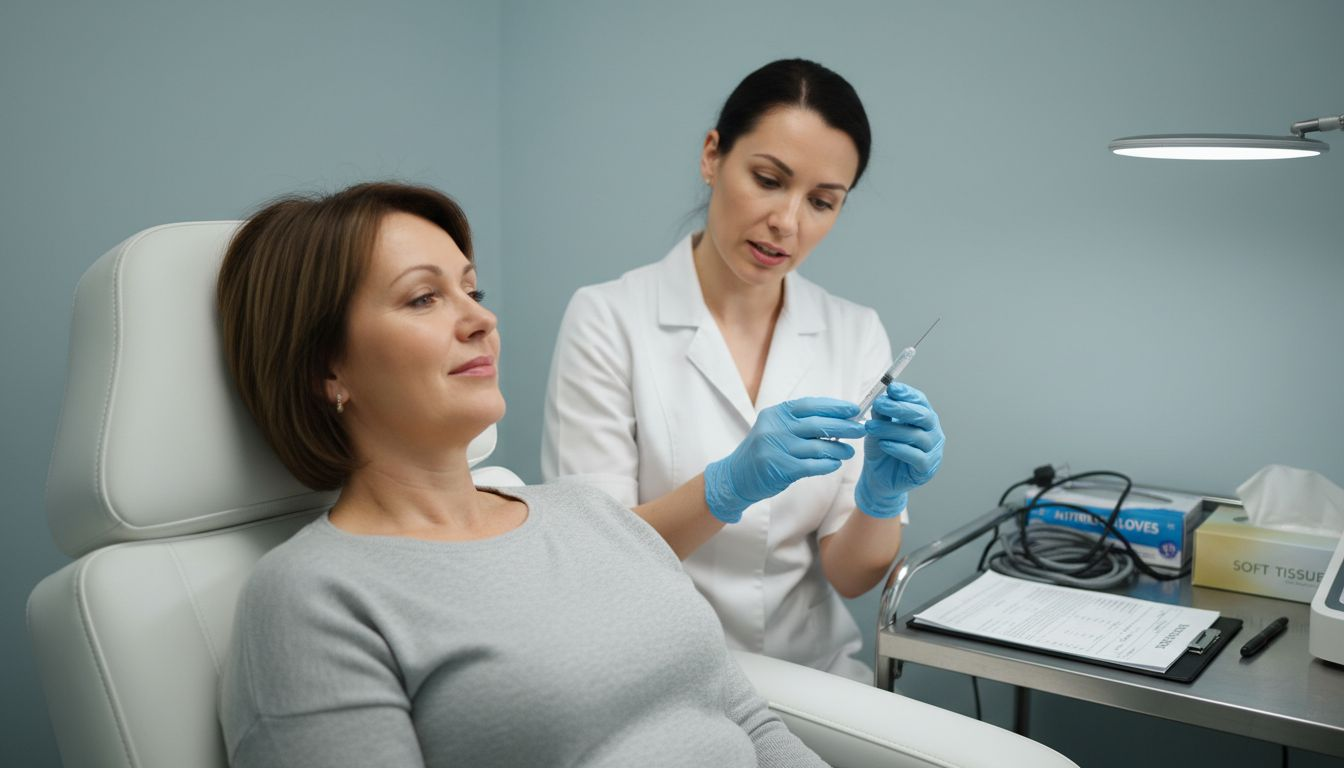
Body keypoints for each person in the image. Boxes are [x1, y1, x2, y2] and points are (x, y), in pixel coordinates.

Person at [215, 182, 827, 767]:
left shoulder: (586, 514)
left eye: (472, 293)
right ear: (329, 370)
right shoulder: (313, 598)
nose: (483, 321)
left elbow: (745, 721)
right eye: (423, 297)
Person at [543, 59, 945, 682]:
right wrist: (724, 487)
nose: (788, 222)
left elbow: (853, 576)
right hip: (656, 678)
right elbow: (598, 559)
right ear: (712, 156)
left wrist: (882, 498)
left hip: (816, 679)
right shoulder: (607, 318)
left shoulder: (854, 330)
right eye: (767, 179)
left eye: (821, 201)